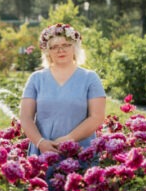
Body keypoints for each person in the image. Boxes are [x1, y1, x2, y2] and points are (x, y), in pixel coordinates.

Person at [19, 22, 106, 156]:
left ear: (75, 47)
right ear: (48, 51)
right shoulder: (36, 79)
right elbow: (26, 117)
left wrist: (68, 139)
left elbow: (97, 117)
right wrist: (41, 142)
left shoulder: (90, 78)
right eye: (54, 47)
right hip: (44, 152)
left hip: (81, 151)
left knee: (79, 177)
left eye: (66, 45)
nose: (61, 50)